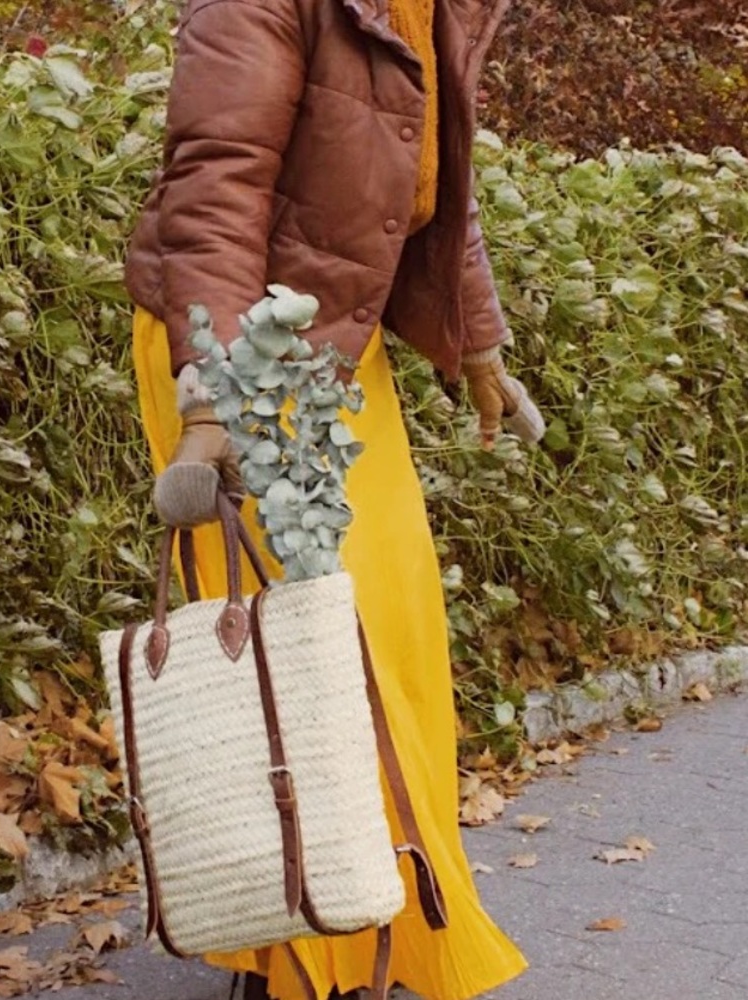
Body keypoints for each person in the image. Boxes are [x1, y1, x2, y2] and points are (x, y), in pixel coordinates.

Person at [123, 0, 544, 997]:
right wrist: (214, 402)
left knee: (389, 627)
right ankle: (300, 954)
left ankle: (381, 913)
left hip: (332, 351)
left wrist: (474, 342)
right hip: (226, 347)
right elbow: (217, 183)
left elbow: (432, 180)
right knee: (289, 649)